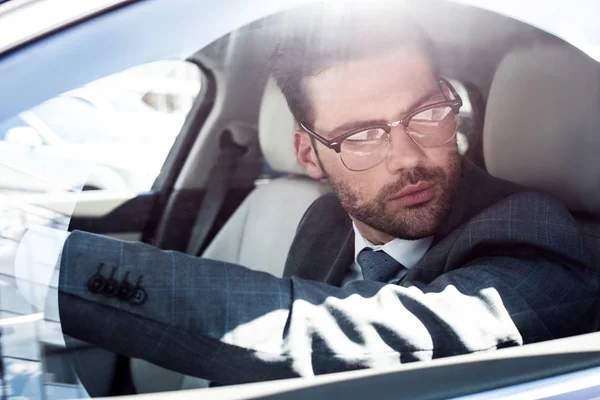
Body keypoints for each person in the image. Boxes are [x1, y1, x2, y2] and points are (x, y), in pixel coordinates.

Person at [15, 5, 600, 387]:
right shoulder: (323, 219)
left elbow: (324, 339)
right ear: (307, 153)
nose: (408, 155)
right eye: (362, 135)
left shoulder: (537, 236)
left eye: (425, 113)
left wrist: (33, 260)